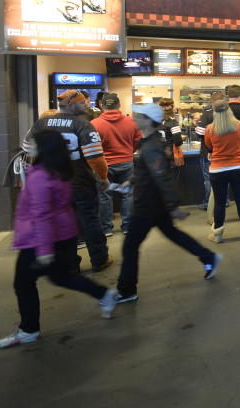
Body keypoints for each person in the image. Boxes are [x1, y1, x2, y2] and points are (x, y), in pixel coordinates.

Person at [0, 131, 118, 349]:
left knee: (23, 283)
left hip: (40, 239)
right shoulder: (60, 170)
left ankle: (28, 330)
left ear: (45, 148)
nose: (28, 146)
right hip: (62, 234)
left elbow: (41, 215)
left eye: (34, 143)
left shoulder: (41, 176)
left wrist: (43, 250)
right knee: (61, 277)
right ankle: (104, 294)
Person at [114, 104, 222, 304]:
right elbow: (147, 171)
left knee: (130, 247)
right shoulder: (148, 142)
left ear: (147, 120)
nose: (132, 119)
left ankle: (127, 289)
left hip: (149, 205)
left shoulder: (151, 146)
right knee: (174, 234)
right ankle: (208, 257)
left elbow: (162, 177)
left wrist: (173, 206)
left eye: (137, 116)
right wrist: (130, 182)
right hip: (153, 202)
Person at [22, 90, 112, 272]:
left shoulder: (42, 123)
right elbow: (96, 158)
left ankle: (70, 265)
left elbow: (27, 148)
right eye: (81, 103)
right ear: (71, 105)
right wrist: (103, 178)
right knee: (90, 221)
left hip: (53, 183)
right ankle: (99, 259)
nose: (85, 105)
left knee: (63, 223)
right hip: (80, 181)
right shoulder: (83, 125)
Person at [199, 85, 240, 223]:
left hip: (220, 154)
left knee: (217, 189)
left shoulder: (219, 110)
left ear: (227, 95)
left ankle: (212, 217)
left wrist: (211, 150)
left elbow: (207, 134)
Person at [91, 92, 140, 236]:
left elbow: (91, 145)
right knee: (128, 195)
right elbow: (137, 141)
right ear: (119, 105)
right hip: (126, 163)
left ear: (102, 105)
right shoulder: (131, 122)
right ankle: (128, 226)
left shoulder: (94, 124)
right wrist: (129, 151)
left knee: (104, 196)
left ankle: (106, 229)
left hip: (103, 165)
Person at [196, 91, 224, 215]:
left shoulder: (207, 113)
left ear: (211, 101)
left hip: (208, 151)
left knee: (208, 179)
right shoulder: (228, 113)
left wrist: (196, 125)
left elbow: (200, 132)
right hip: (223, 151)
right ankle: (225, 200)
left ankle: (208, 202)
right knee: (223, 178)